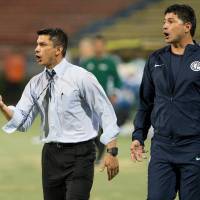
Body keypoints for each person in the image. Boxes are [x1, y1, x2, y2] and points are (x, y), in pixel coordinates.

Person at [0, 28, 119, 200]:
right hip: (50, 156)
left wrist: (112, 150)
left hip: (80, 154)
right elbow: (22, 122)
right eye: (36, 44)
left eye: (42, 44)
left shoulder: (81, 77)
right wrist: (3, 107)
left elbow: (105, 111)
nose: (36, 49)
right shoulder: (35, 83)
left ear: (58, 50)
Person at [130, 4, 200, 200]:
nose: (164, 27)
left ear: (187, 26)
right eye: (163, 22)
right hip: (162, 148)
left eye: (170, 22)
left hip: (194, 146)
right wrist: (138, 136)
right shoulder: (155, 59)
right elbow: (146, 103)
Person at [81, 35, 122, 164]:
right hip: (88, 102)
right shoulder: (86, 62)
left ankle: (99, 156)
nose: (98, 47)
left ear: (104, 46)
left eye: (100, 45)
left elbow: (117, 80)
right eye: (96, 44)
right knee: (89, 129)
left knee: (104, 129)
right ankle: (90, 154)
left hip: (104, 101)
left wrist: (114, 93)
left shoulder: (110, 62)